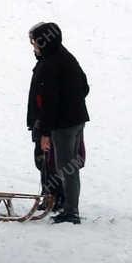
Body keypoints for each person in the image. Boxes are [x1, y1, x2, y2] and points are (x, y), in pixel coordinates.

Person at [26, 21, 89, 224]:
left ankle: (71, 211)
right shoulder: (64, 57)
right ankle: (64, 204)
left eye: (35, 42)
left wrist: (45, 133)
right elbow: (84, 86)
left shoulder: (50, 65)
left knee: (66, 167)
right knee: (67, 165)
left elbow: (50, 103)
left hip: (63, 125)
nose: (33, 46)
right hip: (74, 120)